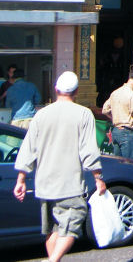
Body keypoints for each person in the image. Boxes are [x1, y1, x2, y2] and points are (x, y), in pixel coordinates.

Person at [13, 71, 106, 262]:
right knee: (72, 226)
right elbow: (88, 150)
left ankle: (53, 259)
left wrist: (21, 179)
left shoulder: (41, 114)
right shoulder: (83, 114)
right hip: (69, 184)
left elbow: (28, 148)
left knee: (52, 230)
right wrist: (98, 178)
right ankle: (52, 260)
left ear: (55, 89)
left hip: (45, 184)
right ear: (77, 91)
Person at [101, 65, 133, 158]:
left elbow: (105, 110)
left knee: (119, 164)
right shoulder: (132, 95)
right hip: (127, 132)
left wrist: (115, 118)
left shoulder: (115, 92)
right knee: (129, 165)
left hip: (116, 131)